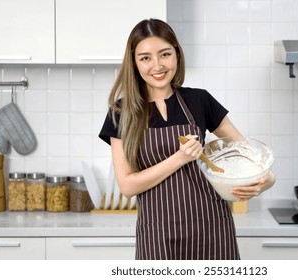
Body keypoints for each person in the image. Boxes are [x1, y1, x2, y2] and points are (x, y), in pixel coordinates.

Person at [99, 18, 276, 260]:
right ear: (134, 62)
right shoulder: (121, 113)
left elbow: (248, 153)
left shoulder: (199, 101)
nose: (157, 65)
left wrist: (266, 181)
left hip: (212, 228)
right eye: (145, 58)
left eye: (165, 54)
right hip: (157, 233)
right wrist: (180, 158)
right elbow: (128, 186)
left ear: (177, 56)